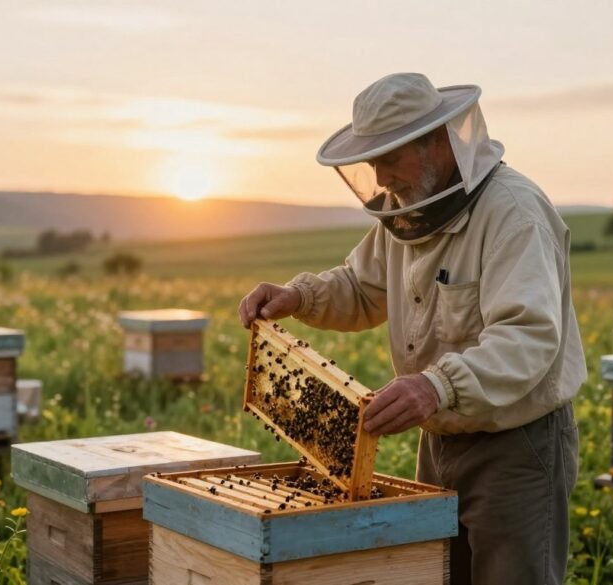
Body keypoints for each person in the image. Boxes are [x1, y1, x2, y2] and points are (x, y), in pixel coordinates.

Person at [238, 72, 586, 585]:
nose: (380, 178)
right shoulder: (409, 215)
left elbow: (527, 336)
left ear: (438, 142)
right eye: (371, 161)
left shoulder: (513, 213)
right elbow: (361, 287)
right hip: (440, 439)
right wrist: (300, 296)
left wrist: (436, 385)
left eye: (389, 158)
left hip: (517, 446)